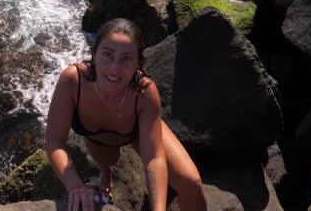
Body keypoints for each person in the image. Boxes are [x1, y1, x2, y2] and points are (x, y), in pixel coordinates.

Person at [44, 18, 207, 211]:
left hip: (139, 129)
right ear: (94, 54)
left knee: (191, 183)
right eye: (107, 55)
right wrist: (76, 186)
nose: (114, 68)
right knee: (108, 161)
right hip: (99, 140)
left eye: (127, 58)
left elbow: (154, 157)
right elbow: (54, 141)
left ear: (138, 63)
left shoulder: (144, 91)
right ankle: (107, 171)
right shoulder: (73, 80)